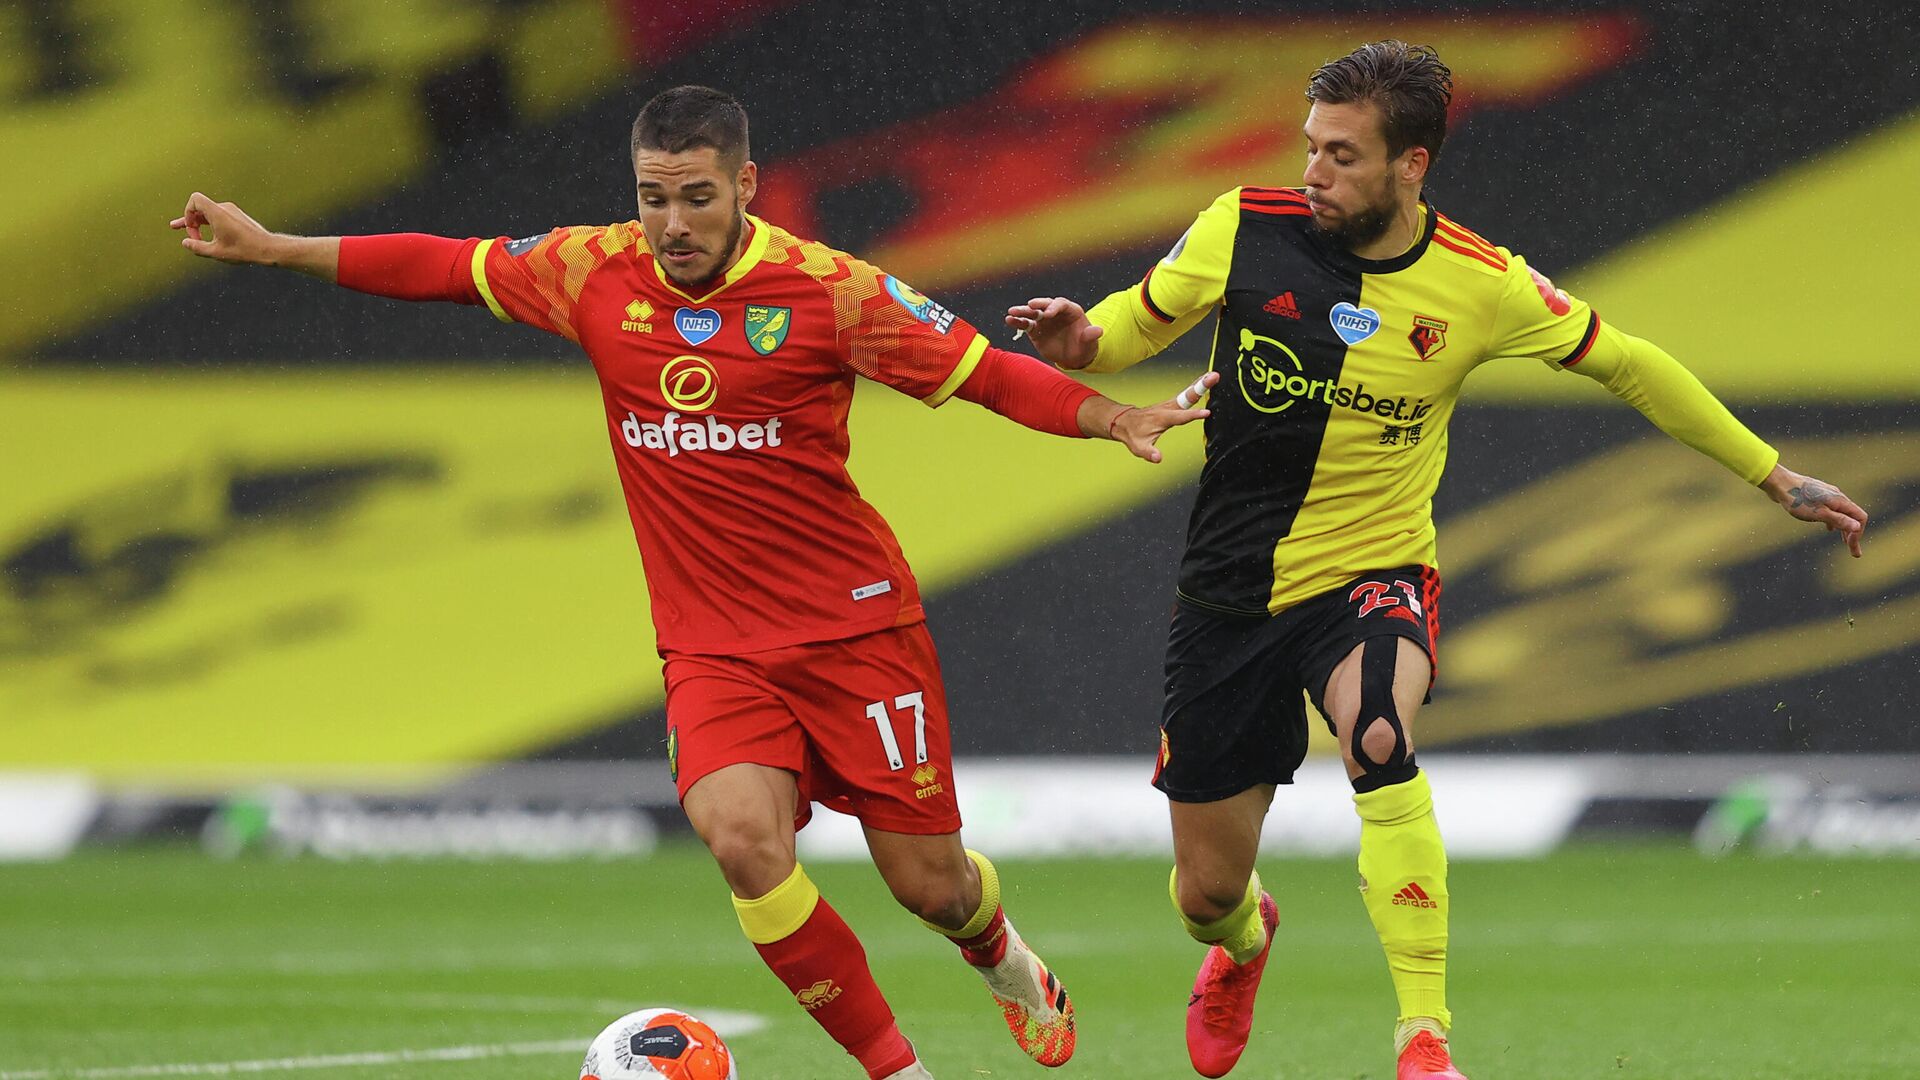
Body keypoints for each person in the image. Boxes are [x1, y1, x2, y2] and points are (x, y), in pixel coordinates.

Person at [173, 85, 1214, 1080]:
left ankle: (998, 955)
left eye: (697, 197)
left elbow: (984, 371)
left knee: (930, 886)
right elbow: (446, 264)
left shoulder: (827, 290)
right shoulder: (592, 271)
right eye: (652, 197)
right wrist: (274, 247)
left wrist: (1114, 416)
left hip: (855, 633)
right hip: (714, 646)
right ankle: (898, 1069)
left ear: (748, 184)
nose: (673, 222)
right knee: (742, 843)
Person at [1007, 40, 1868, 1080]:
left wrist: (1775, 476)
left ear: (1411, 166)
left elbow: (1631, 366)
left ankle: (1424, 1042)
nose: (1314, 173)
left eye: (1343, 156)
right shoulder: (1243, 225)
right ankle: (1243, 943)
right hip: (1230, 596)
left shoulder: (1483, 283)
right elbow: (1132, 328)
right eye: (1311, 148)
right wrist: (1078, 340)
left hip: (1374, 571)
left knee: (1378, 734)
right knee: (1204, 895)